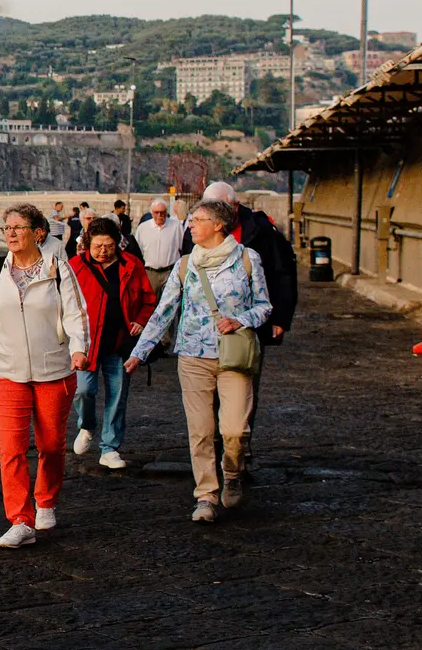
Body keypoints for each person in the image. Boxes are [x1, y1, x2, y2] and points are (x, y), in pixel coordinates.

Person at [126, 200, 271, 522]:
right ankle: (205, 495)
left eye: (197, 220)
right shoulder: (185, 265)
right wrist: (140, 352)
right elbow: (164, 311)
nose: (190, 225)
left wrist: (239, 319)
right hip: (193, 356)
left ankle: (232, 473)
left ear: (219, 225)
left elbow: (264, 306)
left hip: (234, 355)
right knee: (201, 431)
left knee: (235, 430)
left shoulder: (248, 259)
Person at [0, 203, 89, 549]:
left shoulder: (58, 269)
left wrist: (79, 347)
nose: (12, 234)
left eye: (18, 227)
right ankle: (20, 518)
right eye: (7, 228)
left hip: (54, 370)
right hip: (6, 371)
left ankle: (46, 500)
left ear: (38, 233)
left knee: (51, 444)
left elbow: (77, 313)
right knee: (11, 449)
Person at [181, 182, 297, 467]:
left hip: (245, 327)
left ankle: (237, 448)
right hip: (203, 333)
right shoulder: (194, 230)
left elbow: (281, 273)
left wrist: (280, 318)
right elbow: (183, 275)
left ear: (232, 208)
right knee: (205, 402)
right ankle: (213, 451)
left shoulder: (261, 231)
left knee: (243, 392)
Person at [68, 217, 157, 470]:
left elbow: (149, 299)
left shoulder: (132, 264)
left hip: (120, 342)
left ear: (117, 243)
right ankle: (86, 425)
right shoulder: (76, 266)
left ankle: (110, 448)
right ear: (87, 244)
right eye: (97, 246)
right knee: (83, 390)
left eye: (108, 245)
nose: (103, 251)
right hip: (87, 344)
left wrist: (140, 320)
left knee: (117, 396)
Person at [134, 198, 185, 295]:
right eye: (156, 212)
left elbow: (182, 247)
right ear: (152, 213)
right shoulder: (143, 228)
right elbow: (138, 251)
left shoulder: (176, 226)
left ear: (166, 212)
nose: (159, 215)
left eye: (162, 212)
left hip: (170, 271)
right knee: (150, 302)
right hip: (150, 273)